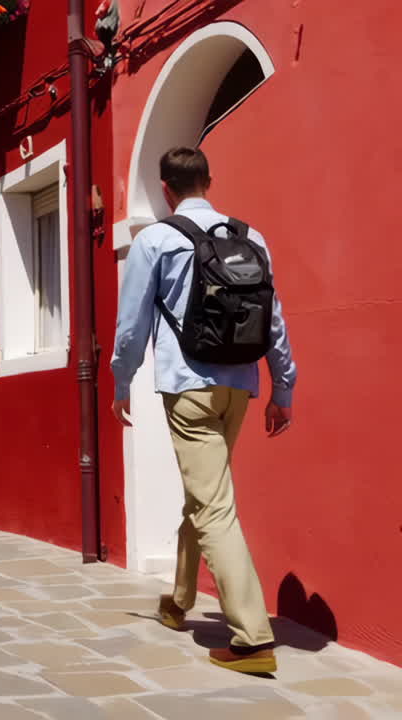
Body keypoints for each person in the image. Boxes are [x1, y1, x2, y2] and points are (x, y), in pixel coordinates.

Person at [111, 146, 297, 674]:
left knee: (213, 506)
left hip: (188, 388)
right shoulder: (250, 237)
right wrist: (283, 388)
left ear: (165, 189)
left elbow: (131, 325)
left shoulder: (157, 240)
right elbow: (273, 319)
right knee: (206, 493)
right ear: (208, 181)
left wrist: (123, 381)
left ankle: (252, 639)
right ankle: (179, 601)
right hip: (239, 385)